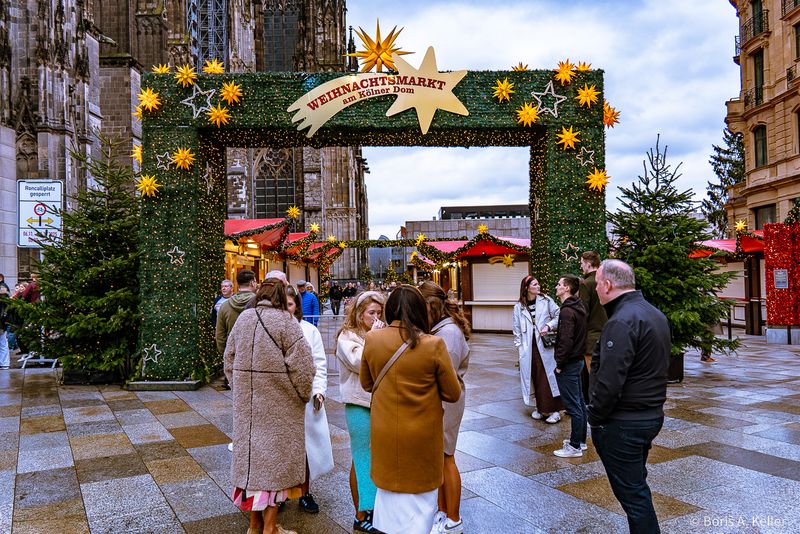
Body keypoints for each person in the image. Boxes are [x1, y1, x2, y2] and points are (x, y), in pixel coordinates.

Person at [360, 285, 461, 534]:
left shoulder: (373, 339)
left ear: (390, 309)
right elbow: (452, 392)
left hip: (386, 433)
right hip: (422, 436)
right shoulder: (433, 344)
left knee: (389, 497)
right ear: (419, 310)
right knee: (419, 505)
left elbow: (366, 383)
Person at [224, 278, 315, 534]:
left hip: (248, 408)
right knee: (275, 468)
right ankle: (271, 527)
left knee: (252, 468)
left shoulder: (244, 319)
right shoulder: (286, 322)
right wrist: (302, 394)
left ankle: (255, 525)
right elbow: (304, 367)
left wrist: (240, 387)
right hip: (280, 408)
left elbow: (228, 358)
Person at [589, 259, 670, 534]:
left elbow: (610, 380)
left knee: (634, 497)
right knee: (636, 486)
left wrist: (595, 418)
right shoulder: (653, 314)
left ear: (608, 285)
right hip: (648, 415)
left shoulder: (622, 321)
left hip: (624, 422)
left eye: (598, 283)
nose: (596, 289)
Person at [418, 281, 470, 534]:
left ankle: (454, 518)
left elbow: (443, 374)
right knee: (439, 459)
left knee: (446, 458)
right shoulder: (442, 329)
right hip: (441, 401)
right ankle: (442, 512)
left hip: (446, 401)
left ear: (431, 306)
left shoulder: (447, 333)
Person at [335, 290, 386, 533]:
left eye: (379, 312)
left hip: (380, 404)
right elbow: (359, 362)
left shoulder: (379, 334)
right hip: (358, 403)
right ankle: (360, 513)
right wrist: (375, 338)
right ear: (359, 313)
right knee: (361, 457)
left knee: (375, 457)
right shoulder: (347, 337)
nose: (376, 317)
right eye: (371, 313)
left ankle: (374, 507)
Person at [286, 284, 334, 514]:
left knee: (306, 449)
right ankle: (280, 494)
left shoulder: (309, 330)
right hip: (280, 400)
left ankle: (304, 492)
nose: (286, 309)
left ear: (297, 306)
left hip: (304, 399)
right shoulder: (269, 330)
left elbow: (319, 363)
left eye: (290, 304)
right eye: (282, 304)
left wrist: (319, 391)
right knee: (282, 449)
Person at [511, 275, 562, 423]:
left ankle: (554, 410)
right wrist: (520, 348)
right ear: (527, 288)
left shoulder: (546, 301)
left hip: (545, 345)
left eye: (538, 284)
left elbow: (559, 314)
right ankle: (540, 408)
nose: (538, 287)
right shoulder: (518, 307)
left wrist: (549, 325)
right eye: (535, 284)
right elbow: (517, 330)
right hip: (529, 348)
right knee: (534, 377)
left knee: (547, 377)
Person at [552, 274, 588, 458]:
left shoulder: (567, 311)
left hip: (570, 363)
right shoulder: (578, 306)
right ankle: (580, 441)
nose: (556, 286)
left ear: (567, 288)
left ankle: (574, 447)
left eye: (559, 284)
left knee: (574, 406)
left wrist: (559, 364)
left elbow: (566, 339)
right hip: (578, 360)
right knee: (580, 402)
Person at [216, 269, 258, 392]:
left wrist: (226, 353)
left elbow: (220, 335)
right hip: (257, 353)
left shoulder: (225, 306)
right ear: (252, 283)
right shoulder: (261, 303)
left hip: (235, 353)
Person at [579, 251, 608, 401]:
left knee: (594, 376)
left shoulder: (586, 284)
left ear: (589, 264)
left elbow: (583, 313)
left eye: (582, 263)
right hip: (609, 333)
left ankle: (597, 407)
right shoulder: (606, 281)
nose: (581, 266)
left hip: (591, 338)